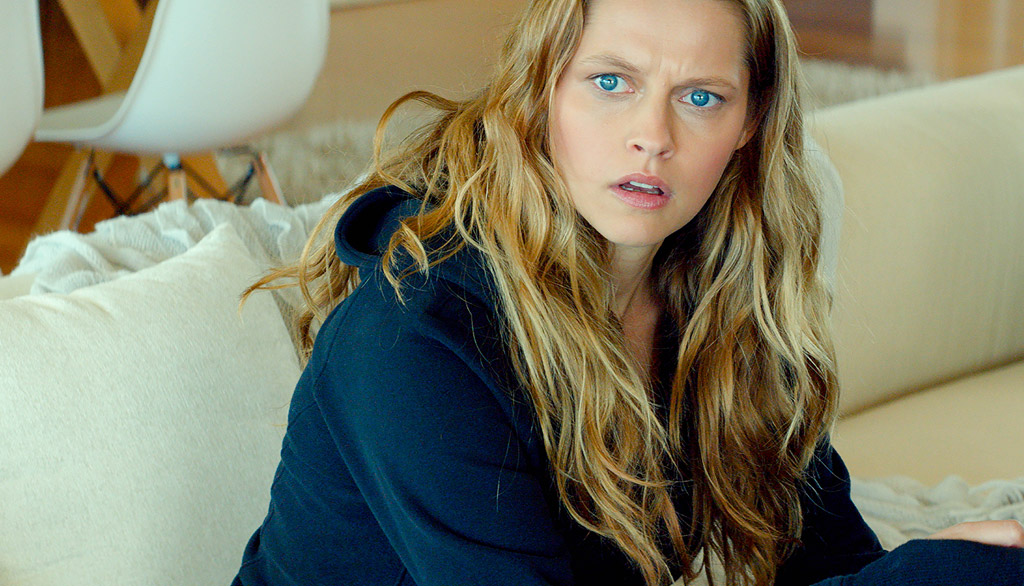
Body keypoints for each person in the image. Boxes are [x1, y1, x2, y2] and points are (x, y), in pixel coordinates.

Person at [232, 0, 1024, 584]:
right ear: (541, 89)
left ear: (749, 123)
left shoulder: (718, 297)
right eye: (611, 82)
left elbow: (830, 559)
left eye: (701, 97)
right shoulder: (416, 336)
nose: (654, 136)